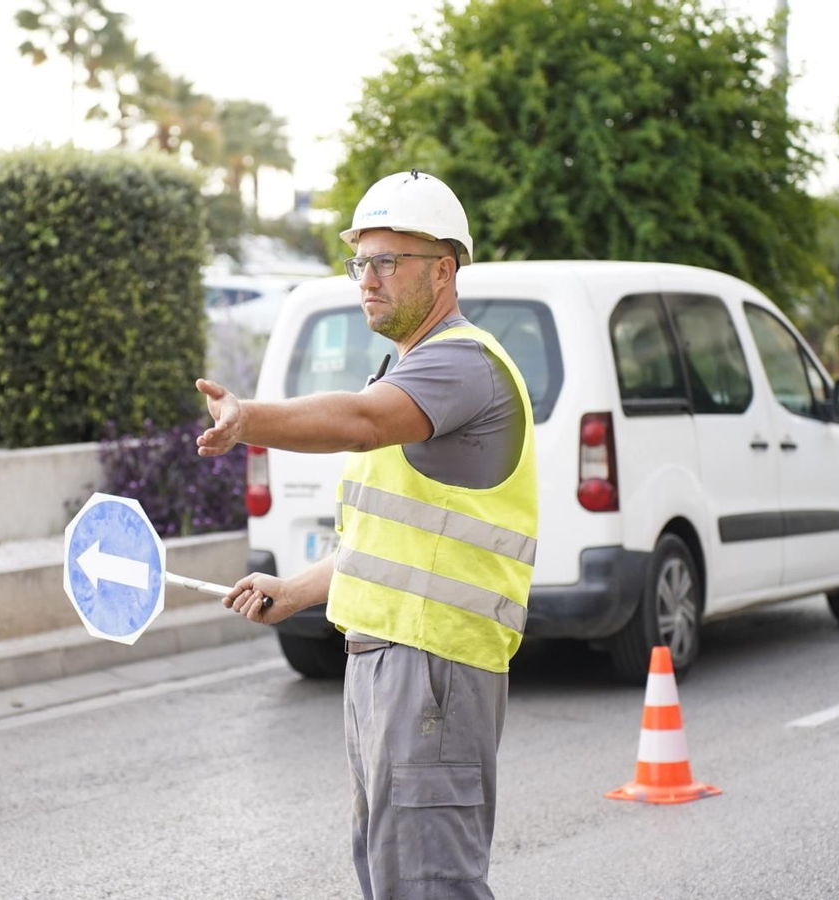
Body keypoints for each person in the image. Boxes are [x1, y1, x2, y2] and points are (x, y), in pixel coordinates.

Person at [194, 170, 537, 900]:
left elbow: (358, 421)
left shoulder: (461, 363)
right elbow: (379, 544)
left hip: (433, 666)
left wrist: (249, 420)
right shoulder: (413, 370)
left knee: (428, 885)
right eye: (361, 262)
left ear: (443, 270)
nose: (368, 279)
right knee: (391, 876)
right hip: (389, 664)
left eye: (389, 261)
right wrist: (295, 590)